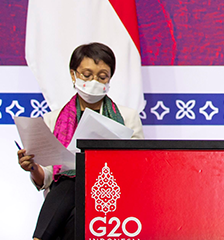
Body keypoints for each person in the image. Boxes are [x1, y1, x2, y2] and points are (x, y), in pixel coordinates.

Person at [17, 43, 143, 240]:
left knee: (73, 181)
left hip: (111, 194)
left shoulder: (128, 117)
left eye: (102, 77)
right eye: (86, 74)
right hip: (70, 202)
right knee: (72, 188)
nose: (94, 81)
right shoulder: (53, 119)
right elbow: (48, 176)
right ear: (73, 74)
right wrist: (33, 167)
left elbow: (139, 168)